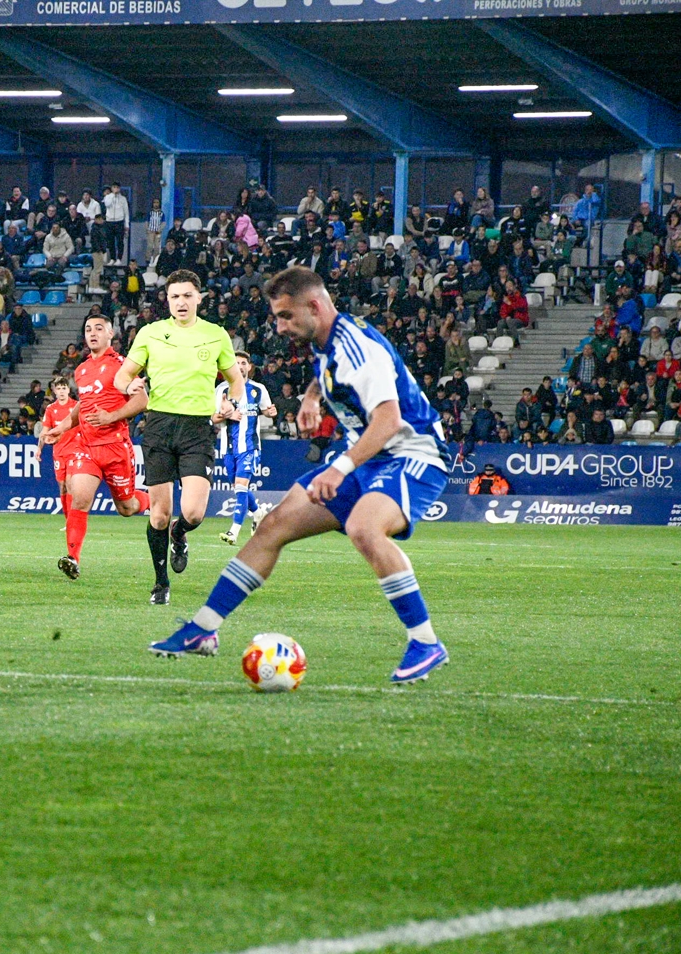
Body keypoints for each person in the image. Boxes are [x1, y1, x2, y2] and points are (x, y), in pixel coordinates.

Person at [148, 266, 452, 685]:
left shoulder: (358, 348)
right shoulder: (328, 337)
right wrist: (312, 396)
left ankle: (426, 642)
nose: (280, 326)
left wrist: (342, 466)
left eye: (286, 316)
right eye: (276, 317)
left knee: (365, 528)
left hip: (412, 453)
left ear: (314, 306)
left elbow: (388, 420)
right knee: (273, 525)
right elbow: (329, 371)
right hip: (369, 455)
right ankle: (203, 629)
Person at [112, 269, 244, 605]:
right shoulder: (151, 333)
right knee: (158, 513)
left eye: (187, 295)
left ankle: (180, 532)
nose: (181, 302)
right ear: (167, 300)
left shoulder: (215, 335)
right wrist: (130, 385)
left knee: (195, 513)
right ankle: (160, 583)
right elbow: (122, 375)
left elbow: (235, 379)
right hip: (158, 425)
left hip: (197, 429)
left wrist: (231, 400)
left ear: (200, 298)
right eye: (175, 296)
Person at [40, 316, 151, 579]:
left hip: (115, 447)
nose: (92, 333)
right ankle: (73, 558)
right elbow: (84, 404)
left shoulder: (122, 365)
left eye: (99, 329)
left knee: (127, 508)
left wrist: (111, 417)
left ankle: (154, 501)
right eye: (88, 329)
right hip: (86, 445)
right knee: (79, 497)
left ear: (110, 333)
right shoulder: (81, 369)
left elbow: (143, 400)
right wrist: (64, 425)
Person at [215, 352, 276, 546]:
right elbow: (213, 418)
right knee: (239, 487)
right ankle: (258, 513)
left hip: (249, 447)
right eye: (235, 363)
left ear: (249, 367)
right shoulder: (221, 390)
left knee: (240, 487)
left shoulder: (258, 389)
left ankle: (233, 531)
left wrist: (270, 412)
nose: (239, 366)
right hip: (228, 449)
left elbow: (267, 409)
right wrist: (228, 415)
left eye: (243, 363)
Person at [40, 377, 81, 520]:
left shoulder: (76, 407)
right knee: (62, 486)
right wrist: (39, 449)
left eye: (64, 388)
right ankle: (67, 518)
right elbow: (45, 431)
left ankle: (72, 521)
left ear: (69, 390)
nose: (62, 391)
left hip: (74, 451)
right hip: (58, 452)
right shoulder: (51, 409)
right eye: (59, 389)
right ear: (54, 391)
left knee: (70, 484)